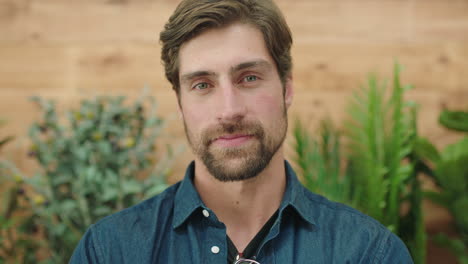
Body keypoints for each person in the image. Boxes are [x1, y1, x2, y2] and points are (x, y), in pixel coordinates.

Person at [70, 0, 414, 263]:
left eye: (249, 78)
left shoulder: (368, 253)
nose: (228, 109)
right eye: (202, 84)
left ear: (287, 88)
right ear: (179, 103)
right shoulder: (109, 251)